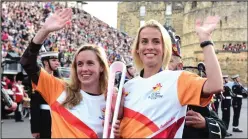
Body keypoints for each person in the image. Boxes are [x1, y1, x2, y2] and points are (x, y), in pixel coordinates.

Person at [119, 16, 223, 138]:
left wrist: (205, 40)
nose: (150, 46)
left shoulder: (179, 79)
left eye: (156, 41)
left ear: (164, 48)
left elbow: (215, 84)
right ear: (137, 49)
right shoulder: (127, 87)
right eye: (144, 41)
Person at [168, 35, 226, 138]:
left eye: (170, 61)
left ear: (179, 66)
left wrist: (205, 123)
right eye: (164, 61)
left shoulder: (190, 88)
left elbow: (221, 128)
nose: (166, 66)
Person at [30, 51, 60, 138]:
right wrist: (35, 128)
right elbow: (34, 104)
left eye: (57, 60)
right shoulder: (38, 79)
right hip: (44, 118)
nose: (57, 63)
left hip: (58, 118)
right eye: (54, 60)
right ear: (46, 62)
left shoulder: (59, 79)